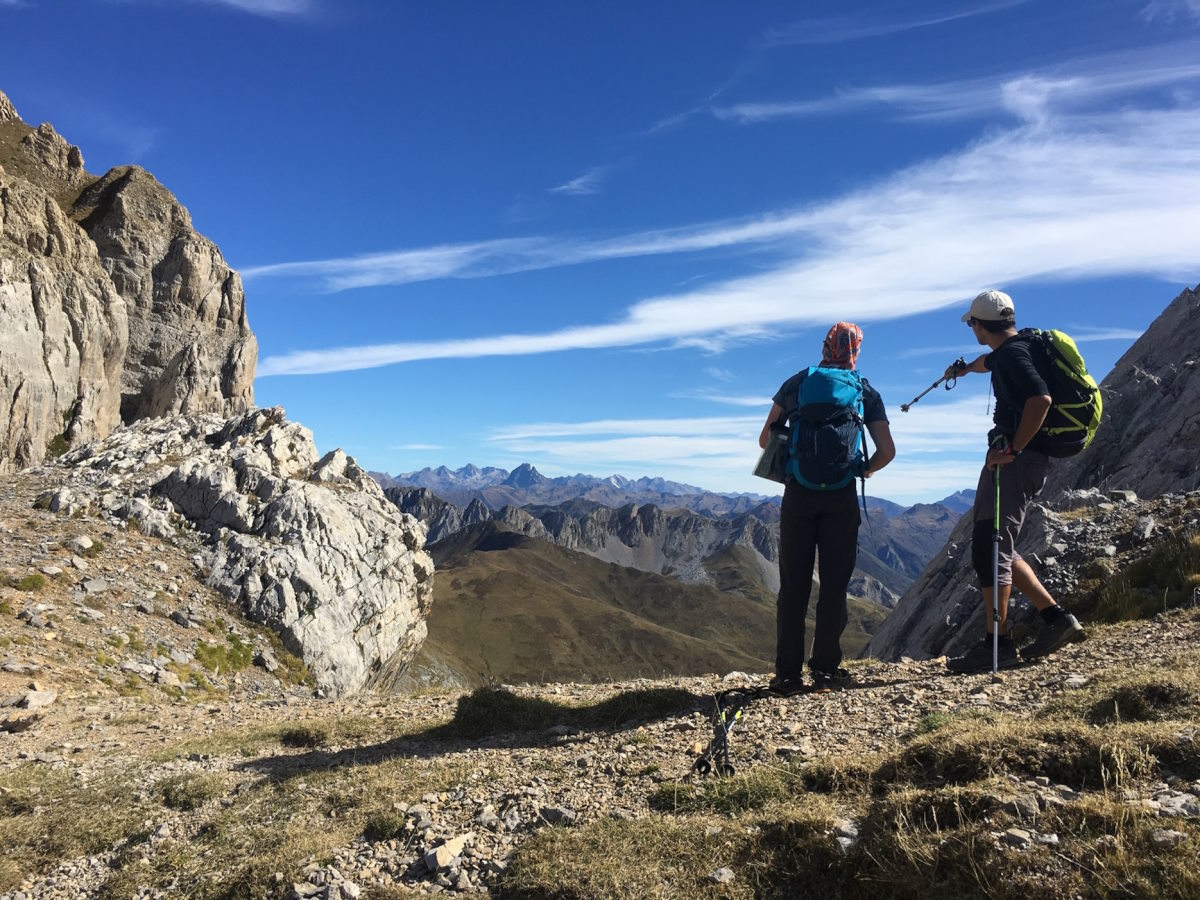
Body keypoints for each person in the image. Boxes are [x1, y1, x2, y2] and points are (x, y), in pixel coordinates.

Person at [945, 290, 1086, 673]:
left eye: (972, 322)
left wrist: (1013, 450)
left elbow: (1039, 400)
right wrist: (964, 370)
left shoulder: (1012, 356)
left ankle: (999, 644)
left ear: (980, 324)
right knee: (996, 542)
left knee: (990, 549)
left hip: (1016, 462)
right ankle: (1055, 618)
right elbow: (988, 362)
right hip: (1022, 461)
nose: (971, 327)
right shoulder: (1018, 346)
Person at [759, 322, 895, 695]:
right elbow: (887, 451)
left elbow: (764, 438)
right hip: (841, 497)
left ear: (824, 346)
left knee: (793, 586)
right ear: (856, 351)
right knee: (834, 586)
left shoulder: (799, 382)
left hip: (799, 495)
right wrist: (861, 468)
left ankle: (787, 675)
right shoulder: (864, 390)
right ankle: (825, 671)